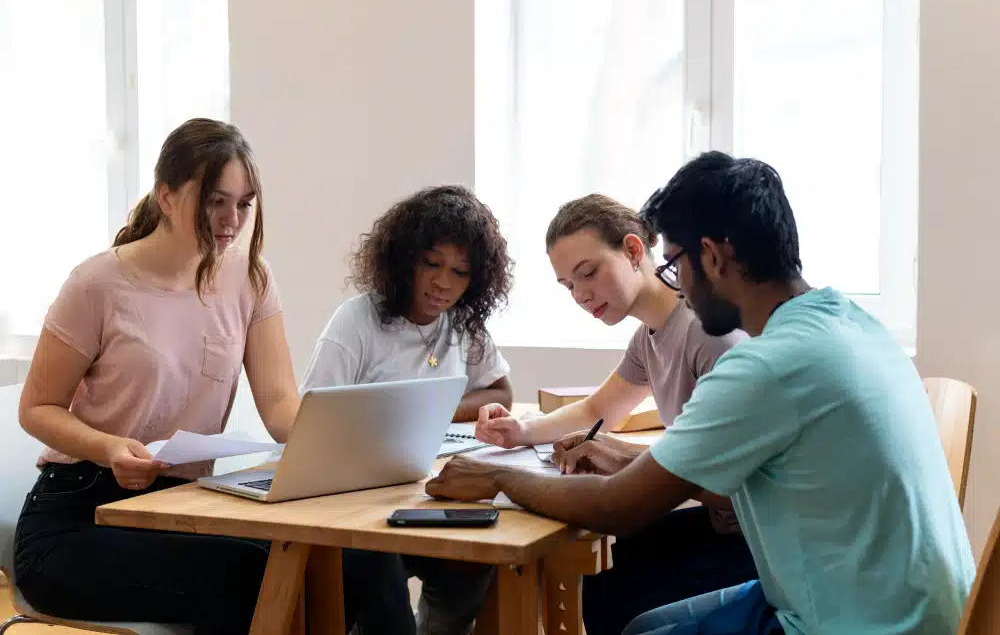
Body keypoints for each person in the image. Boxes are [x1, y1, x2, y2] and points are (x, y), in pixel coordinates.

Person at [426, 151, 976, 635]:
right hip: (910, 604)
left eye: (675, 263)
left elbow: (617, 507)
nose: (677, 283)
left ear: (711, 257)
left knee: (629, 599)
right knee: (637, 616)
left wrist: (499, 476)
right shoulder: (852, 324)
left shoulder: (766, 366)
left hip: (859, 622)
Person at [13, 118, 412, 635]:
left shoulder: (250, 278)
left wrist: (361, 442)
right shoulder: (97, 284)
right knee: (248, 575)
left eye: (244, 204)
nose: (232, 219)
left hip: (181, 506)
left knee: (364, 557)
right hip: (78, 517)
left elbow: (280, 409)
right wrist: (109, 447)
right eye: (215, 201)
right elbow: (36, 409)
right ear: (166, 195)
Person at [473, 193, 757, 635]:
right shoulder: (650, 336)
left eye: (588, 273)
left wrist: (621, 457)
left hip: (756, 541)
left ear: (633, 250)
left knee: (611, 579)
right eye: (568, 286)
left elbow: (742, 482)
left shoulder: (706, 332)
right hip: (725, 524)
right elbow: (600, 410)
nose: (581, 295)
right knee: (601, 574)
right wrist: (519, 432)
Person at [300, 185, 514, 635]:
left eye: (460, 272)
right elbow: (312, 417)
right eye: (431, 264)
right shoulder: (358, 320)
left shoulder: (463, 324)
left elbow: (502, 393)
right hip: (357, 505)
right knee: (376, 576)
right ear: (403, 259)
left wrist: (430, 409)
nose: (443, 283)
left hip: (425, 495)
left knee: (475, 558)